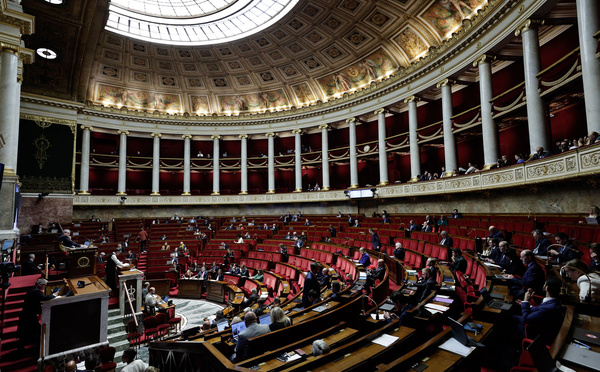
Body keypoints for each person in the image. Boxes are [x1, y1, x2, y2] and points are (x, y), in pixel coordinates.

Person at [514, 277, 563, 345]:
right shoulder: (553, 302)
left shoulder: (549, 308)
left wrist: (525, 300)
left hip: (532, 332)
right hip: (537, 325)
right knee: (510, 317)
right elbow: (539, 310)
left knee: (506, 321)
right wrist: (526, 304)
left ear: (547, 288)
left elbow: (525, 319)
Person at [17, 278, 60, 355]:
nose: (44, 287)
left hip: (28, 315)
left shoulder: (33, 290)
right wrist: (53, 295)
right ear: (40, 285)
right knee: (33, 331)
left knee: (30, 331)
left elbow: (42, 298)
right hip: (28, 317)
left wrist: (51, 295)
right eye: (44, 285)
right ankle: (33, 348)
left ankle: (26, 347)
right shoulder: (35, 292)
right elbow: (44, 298)